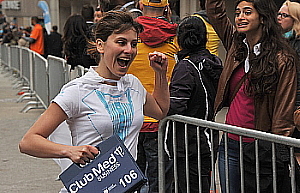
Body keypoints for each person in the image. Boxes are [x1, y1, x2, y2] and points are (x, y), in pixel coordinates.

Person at [19, 10, 169, 192]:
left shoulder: (133, 84)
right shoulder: (78, 90)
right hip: (91, 186)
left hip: (127, 186)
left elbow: (160, 111)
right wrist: (69, 151)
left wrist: (160, 74)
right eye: (121, 42)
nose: (129, 50)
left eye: (134, 44)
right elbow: (28, 142)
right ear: (100, 45)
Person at [206, 0, 297, 192]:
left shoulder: (283, 59)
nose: (240, 17)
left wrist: (275, 149)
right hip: (229, 144)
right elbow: (215, 11)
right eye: (238, 12)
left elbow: (283, 111)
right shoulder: (236, 46)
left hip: (260, 148)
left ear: (263, 18)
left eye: (247, 12)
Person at [127, 0, 179, 192]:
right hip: (162, 119)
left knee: (131, 178)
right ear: (166, 8)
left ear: (141, 6)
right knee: (161, 180)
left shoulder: (129, 37)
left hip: (131, 118)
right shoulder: (175, 37)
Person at [167, 16, 222, 193]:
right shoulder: (214, 62)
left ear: (180, 40)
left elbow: (175, 106)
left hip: (188, 143)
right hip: (207, 138)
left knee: (190, 186)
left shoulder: (185, 67)